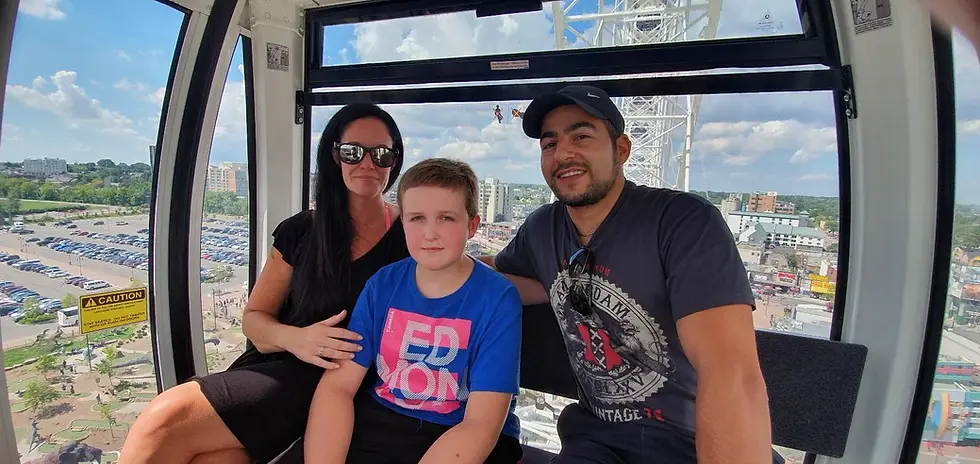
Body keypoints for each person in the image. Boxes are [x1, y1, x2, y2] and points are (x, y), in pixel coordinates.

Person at [478, 85, 776, 463]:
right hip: (596, 441)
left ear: (621, 150)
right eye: (549, 145)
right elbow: (517, 281)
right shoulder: (541, 229)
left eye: (581, 137)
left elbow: (730, 372)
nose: (563, 153)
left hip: (691, 442)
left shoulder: (682, 223)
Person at [119, 103, 411, 464]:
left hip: (349, 381)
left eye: (381, 154)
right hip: (283, 365)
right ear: (334, 156)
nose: (367, 163)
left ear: (394, 161)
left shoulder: (411, 237)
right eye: (353, 152)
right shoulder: (301, 231)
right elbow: (254, 320)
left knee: (167, 419)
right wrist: (299, 339)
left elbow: (461, 270)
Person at [304, 158, 524, 463]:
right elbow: (338, 387)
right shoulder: (383, 285)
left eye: (446, 218)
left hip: (462, 431)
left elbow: (481, 424)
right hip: (384, 419)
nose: (429, 233)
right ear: (403, 223)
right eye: (417, 218)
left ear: (472, 226)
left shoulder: (498, 299)